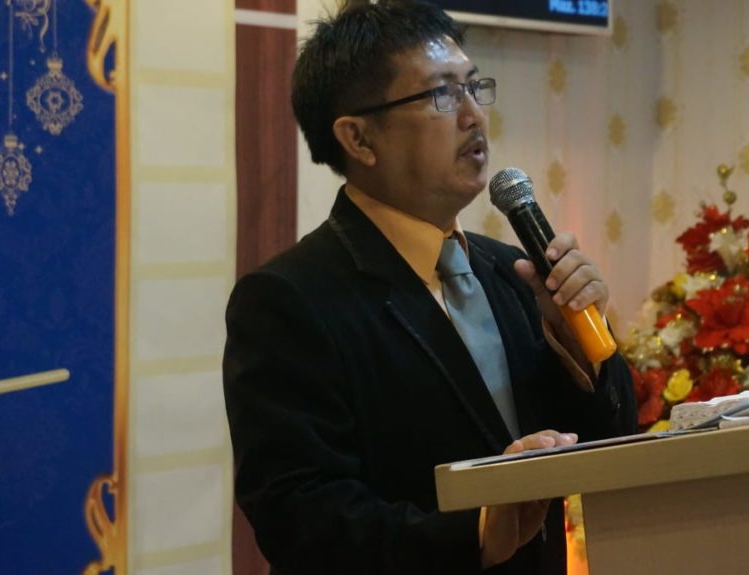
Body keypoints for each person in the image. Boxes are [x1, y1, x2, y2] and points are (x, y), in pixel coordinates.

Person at [222, 1, 636, 573]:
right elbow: (300, 516)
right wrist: (476, 533)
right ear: (359, 139)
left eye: (474, 86)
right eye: (442, 94)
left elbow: (609, 438)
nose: (473, 115)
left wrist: (578, 345)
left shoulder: (513, 272)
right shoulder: (288, 300)